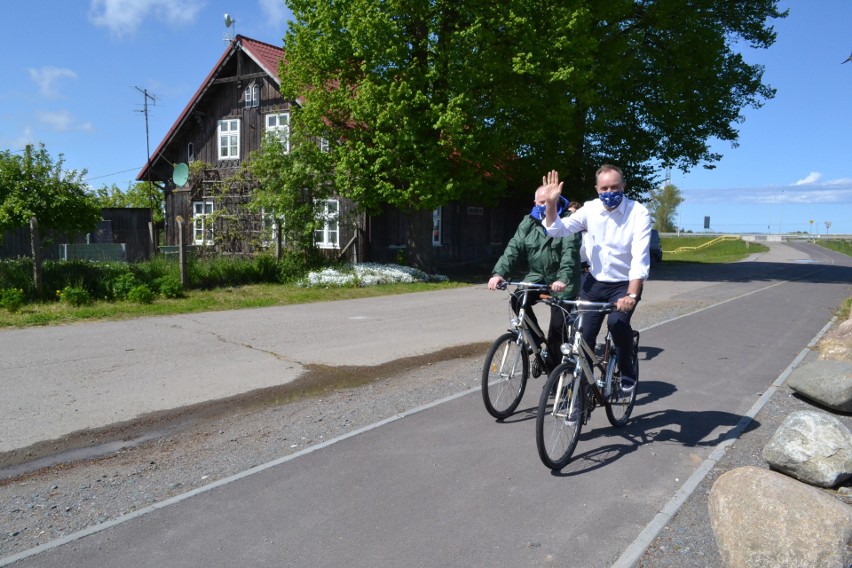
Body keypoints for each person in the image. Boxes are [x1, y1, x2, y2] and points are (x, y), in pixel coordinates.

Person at [541, 165, 651, 393]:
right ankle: (582, 392)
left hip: (624, 284)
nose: (609, 192)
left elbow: (640, 258)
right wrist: (551, 204)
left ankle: (625, 365)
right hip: (594, 282)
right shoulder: (589, 209)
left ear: (623, 186)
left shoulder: (638, 212)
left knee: (617, 323)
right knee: (583, 337)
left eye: (614, 187)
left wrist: (631, 294)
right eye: (604, 188)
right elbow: (557, 230)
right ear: (597, 189)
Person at [488, 185, 582, 375]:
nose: (545, 206)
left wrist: (562, 279)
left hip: (562, 280)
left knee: (557, 326)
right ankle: (537, 342)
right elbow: (513, 247)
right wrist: (499, 273)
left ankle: (554, 372)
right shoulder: (528, 221)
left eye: (549, 202)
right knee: (517, 298)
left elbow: (569, 256)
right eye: (541, 203)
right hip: (537, 276)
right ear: (535, 203)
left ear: (556, 202)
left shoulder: (568, 222)